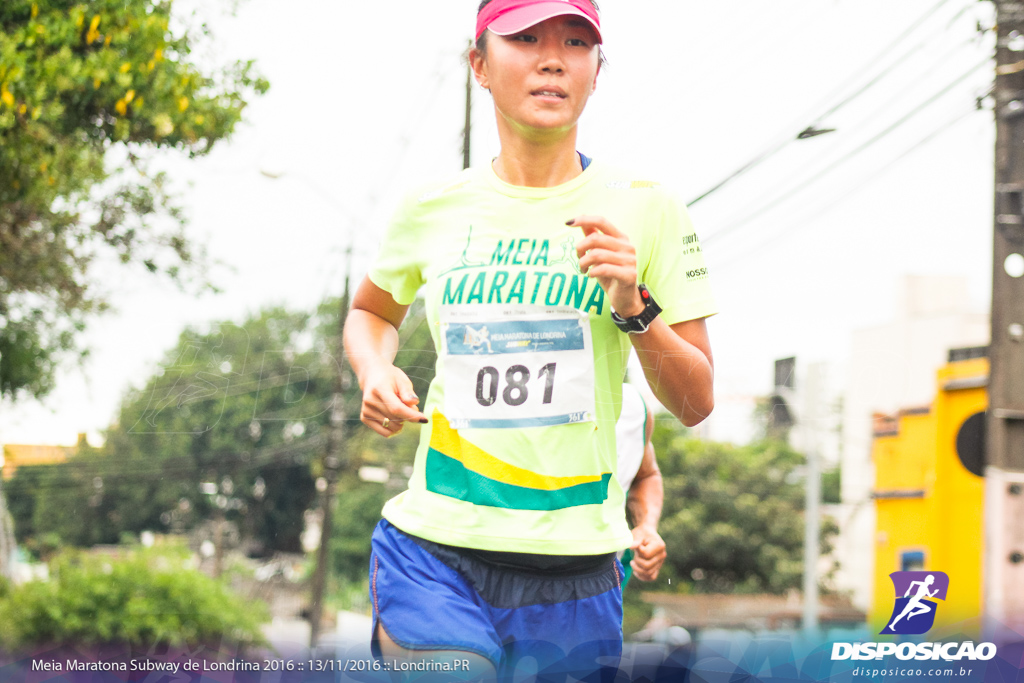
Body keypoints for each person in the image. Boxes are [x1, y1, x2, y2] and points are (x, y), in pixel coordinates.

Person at [343, 0, 716, 678]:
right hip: (435, 548)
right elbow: (371, 313)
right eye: (526, 38)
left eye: (576, 41)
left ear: (596, 71)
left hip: (578, 571)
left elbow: (694, 401)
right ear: (479, 65)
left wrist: (635, 306)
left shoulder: (649, 207)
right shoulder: (431, 208)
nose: (552, 57)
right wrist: (374, 370)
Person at [615, 383, 666, 589]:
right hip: (510, 578)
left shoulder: (632, 407)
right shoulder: (510, 393)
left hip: (601, 586)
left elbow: (645, 475)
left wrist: (647, 526)